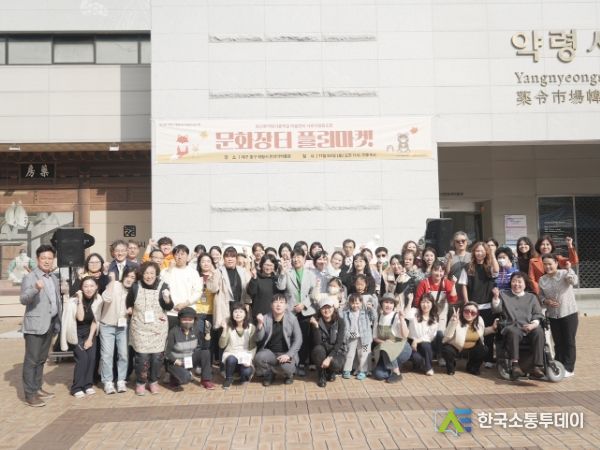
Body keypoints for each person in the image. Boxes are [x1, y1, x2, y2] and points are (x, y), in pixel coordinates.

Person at [20, 244, 62, 407]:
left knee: (41, 359)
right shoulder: (30, 277)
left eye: (50, 258)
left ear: (53, 260)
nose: (47, 261)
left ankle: (37, 388)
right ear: (38, 259)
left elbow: (55, 300)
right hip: (35, 325)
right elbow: (24, 299)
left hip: (50, 323)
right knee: (31, 360)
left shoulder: (53, 278)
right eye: (43, 258)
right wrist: (35, 289)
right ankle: (30, 395)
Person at [127, 261, 173, 395]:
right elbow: (129, 302)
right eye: (146, 273)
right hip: (140, 328)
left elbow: (169, 306)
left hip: (158, 329)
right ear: (142, 274)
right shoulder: (135, 286)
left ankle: (153, 381)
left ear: (156, 274)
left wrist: (167, 299)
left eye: (152, 273)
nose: (149, 276)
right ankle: (141, 382)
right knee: (142, 358)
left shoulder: (163, 286)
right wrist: (129, 309)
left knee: (157, 357)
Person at [491, 272, 545, 378]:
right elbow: (496, 310)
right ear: (510, 283)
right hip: (511, 325)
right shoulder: (503, 294)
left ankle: (537, 366)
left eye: (520, 282)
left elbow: (537, 314)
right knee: (514, 331)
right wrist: (496, 298)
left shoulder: (532, 297)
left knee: (539, 331)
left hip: (528, 326)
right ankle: (515, 365)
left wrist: (533, 324)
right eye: (514, 281)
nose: (516, 284)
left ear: (525, 284)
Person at [276, 246, 317, 376]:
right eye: (293, 257)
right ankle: (292, 362)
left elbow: (313, 293)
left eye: (299, 257)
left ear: (304, 258)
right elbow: (280, 287)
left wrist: (304, 305)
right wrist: (283, 273)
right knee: (292, 337)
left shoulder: (310, 274)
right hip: (291, 311)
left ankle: (302, 363)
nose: (296, 259)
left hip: (306, 311)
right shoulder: (288, 272)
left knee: (304, 338)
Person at [458, 241, 499, 368]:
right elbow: (463, 285)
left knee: (489, 334)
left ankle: (488, 359)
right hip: (472, 306)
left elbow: (496, 270)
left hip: (487, 305)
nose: (479, 253)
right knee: (473, 333)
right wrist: (466, 302)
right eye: (477, 251)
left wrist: (492, 253)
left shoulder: (489, 266)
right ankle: (474, 360)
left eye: (482, 251)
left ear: (486, 252)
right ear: (473, 252)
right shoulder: (468, 267)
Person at [61, 277, 102, 398]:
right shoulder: (73, 302)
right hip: (76, 333)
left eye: (91, 286)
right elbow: (80, 317)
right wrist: (79, 300)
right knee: (83, 358)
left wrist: (90, 339)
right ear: (81, 288)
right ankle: (76, 387)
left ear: (96, 287)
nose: (89, 289)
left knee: (92, 358)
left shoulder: (98, 300)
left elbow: (95, 321)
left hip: (90, 333)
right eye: (86, 286)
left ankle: (87, 385)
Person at [539, 255, 579, 378]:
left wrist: (569, 269)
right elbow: (540, 296)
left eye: (550, 264)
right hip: (553, 315)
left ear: (556, 263)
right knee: (558, 342)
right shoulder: (542, 279)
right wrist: (546, 301)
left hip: (568, 313)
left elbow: (574, 281)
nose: (547, 266)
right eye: (545, 264)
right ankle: (558, 366)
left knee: (569, 341)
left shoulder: (563, 274)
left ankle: (569, 368)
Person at [99, 266, 137, 394]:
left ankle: (121, 380)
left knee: (123, 354)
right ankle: (108, 382)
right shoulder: (115, 285)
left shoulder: (134, 291)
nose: (129, 279)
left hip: (123, 326)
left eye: (132, 277)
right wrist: (111, 281)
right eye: (127, 276)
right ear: (123, 276)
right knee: (107, 355)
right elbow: (106, 298)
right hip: (107, 325)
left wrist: (132, 310)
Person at [254, 294, 303, 386]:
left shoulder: (292, 319)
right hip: (270, 353)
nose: (278, 305)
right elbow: (258, 338)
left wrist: (288, 355)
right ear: (271, 305)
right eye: (275, 302)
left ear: (286, 305)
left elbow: (298, 339)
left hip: (286, 352)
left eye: (281, 302)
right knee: (259, 358)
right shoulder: (265, 318)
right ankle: (269, 374)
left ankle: (289, 375)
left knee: (286, 367)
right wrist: (260, 324)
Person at [164, 307, 214, 391]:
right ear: (180, 319)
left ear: (194, 320)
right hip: (175, 362)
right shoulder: (173, 332)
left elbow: (205, 347)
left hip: (188, 360)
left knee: (205, 352)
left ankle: (205, 380)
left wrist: (208, 333)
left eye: (190, 319)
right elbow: (166, 352)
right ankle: (173, 377)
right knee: (185, 378)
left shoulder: (196, 330)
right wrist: (176, 361)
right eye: (184, 319)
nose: (187, 322)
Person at [442, 303, 496, 375]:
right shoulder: (456, 319)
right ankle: (451, 367)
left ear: (477, 314)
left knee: (483, 349)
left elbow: (481, 332)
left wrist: (492, 328)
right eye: (466, 311)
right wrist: (453, 323)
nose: (469, 314)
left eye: (473, 312)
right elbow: (447, 335)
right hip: (456, 346)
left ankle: (472, 367)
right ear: (462, 311)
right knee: (447, 350)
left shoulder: (479, 320)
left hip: (472, 348)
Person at [207, 246, 251, 330]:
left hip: (239, 307)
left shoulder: (242, 271)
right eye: (227, 256)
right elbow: (213, 289)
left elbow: (248, 288)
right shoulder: (218, 271)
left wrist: (247, 303)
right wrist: (213, 275)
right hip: (224, 307)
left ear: (236, 258)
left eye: (232, 256)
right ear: (223, 258)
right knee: (224, 332)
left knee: (239, 332)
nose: (230, 259)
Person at [161, 244, 203, 329]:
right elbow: (162, 287)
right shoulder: (166, 271)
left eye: (182, 254)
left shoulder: (193, 272)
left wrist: (184, 304)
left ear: (187, 256)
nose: (179, 257)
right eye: (177, 254)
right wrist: (169, 270)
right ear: (173, 256)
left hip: (188, 312)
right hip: (170, 312)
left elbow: (198, 292)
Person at [372, 293, 411, 383]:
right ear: (381, 304)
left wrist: (402, 319)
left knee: (386, 347)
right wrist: (386, 343)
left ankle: (396, 373)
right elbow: (375, 338)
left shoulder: (397, 316)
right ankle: (394, 367)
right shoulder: (378, 318)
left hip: (402, 350)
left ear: (394, 305)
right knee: (378, 374)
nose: (388, 305)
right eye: (386, 302)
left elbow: (405, 335)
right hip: (386, 352)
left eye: (391, 303)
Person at [310, 299, 347, 388]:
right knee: (318, 350)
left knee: (335, 364)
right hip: (323, 349)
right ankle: (321, 374)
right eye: (324, 308)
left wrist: (329, 358)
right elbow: (318, 342)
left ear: (333, 308)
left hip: (336, 350)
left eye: (329, 307)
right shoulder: (316, 321)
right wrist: (316, 326)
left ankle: (331, 372)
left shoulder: (340, 321)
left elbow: (339, 343)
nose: (326, 310)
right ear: (320, 310)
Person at [219, 303, 257, 389]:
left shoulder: (251, 327)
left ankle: (243, 377)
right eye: (235, 312)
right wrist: (224, 330)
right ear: (232, 314)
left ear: (245, 314)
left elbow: (253, 346)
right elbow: (222, 345)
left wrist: (250, 359)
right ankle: (228, 379)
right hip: (231, 353)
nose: (238, 314)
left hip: (245, 355)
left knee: (246, 371)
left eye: (241, 312)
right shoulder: (228, 327)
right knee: (231, 359)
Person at [342, 293, 376, 380]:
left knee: (364, 354)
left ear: (361, 303)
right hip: (352, 337)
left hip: (365, 338)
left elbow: (374, 317)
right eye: (353, 303)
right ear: (349, 303)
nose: (355, 305)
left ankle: (363, 371)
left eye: (357, 303)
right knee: (350, 354)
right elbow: (343, 323)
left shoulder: (365, 312)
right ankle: (347, 370)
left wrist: (371, 308)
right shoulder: (346, 313)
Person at [406, 293, 439, 376]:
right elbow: (406, 315)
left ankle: (428, 367)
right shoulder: (414, 311)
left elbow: (430, 336)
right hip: (411, 342)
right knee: (417, 358)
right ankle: (421, 363)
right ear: (420, 303)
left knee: (426, 345)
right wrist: (410, 301)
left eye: (428, 302)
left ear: (432, 304)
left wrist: (417, 341)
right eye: (423, 302)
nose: (425, 305)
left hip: (424, 343)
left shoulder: (434, 318)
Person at [247, 254, 283, 322]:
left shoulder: (277, 279)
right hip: (259, 316)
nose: (268, 267)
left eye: (271, 265)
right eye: (266, 265)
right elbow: (251, 292)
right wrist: (254, 278)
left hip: (274, 316)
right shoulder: (256, 277)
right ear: (261, 265)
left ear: (274, 266)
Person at [445, 231, 471, 300]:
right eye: (457, 241)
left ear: (467, 242)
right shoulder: (449, 256)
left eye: (463, 241)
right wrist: (449, 259)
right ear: (454, 243)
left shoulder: (472, 256)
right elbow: (446, 273)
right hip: (454, 292)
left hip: (469, 293)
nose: (460, 243)